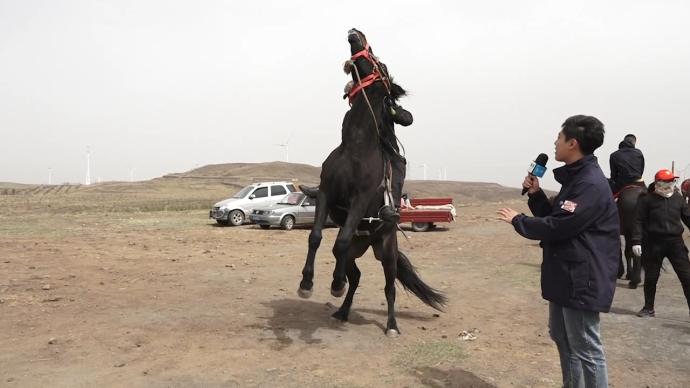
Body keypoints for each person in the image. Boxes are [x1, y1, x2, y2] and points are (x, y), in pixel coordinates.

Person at [497, 115, 619, 388]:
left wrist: (519, 220)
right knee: (563, 338)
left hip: (581, 278)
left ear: (573, 143)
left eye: (560, 138)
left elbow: (560, 226)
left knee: (586, 347)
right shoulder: (575, 180)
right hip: (566, 274)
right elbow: (557, 216)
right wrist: (536, 195)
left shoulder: (589, 183)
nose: (555, 142)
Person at [631, 169, 690, 318]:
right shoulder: (646, 200)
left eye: (672, 181)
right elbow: (638, 221)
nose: (671, 184)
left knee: (687, 277)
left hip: (676, 244)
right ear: (659, 183)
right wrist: (636, 241)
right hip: (653, 243)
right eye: (668, 181)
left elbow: (688, 218)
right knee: (651, 278)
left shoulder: (678, 199)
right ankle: (648, 308)